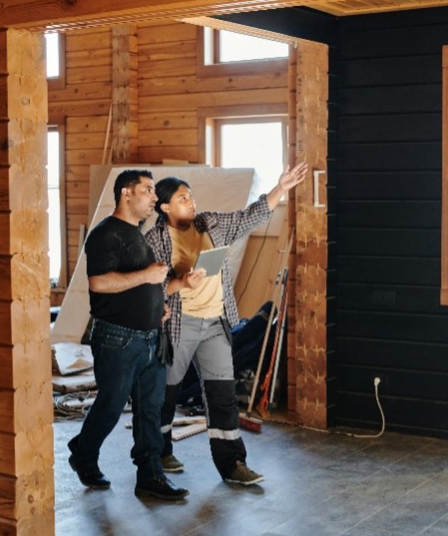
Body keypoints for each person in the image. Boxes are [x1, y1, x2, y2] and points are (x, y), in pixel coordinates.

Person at [145, 161, 308, 485]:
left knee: (221, 395)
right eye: (182, 198)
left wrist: (281, 188)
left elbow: (250, 216)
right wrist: (181, 281)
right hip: (179, 325)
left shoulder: (211, 224)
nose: (190, 202)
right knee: (166, 392)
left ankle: (233, 464)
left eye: (191, 196)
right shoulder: (155, 240)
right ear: (164, 207)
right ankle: (159, 451)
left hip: (215, 324)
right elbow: (148, 286)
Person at [67, 169, 189, 501]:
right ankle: (83, 453)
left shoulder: (137, 234)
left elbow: (142, 285)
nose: (153, 197)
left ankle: (150, 476)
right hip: (118, 339)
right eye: (148, 190)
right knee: (110, 405)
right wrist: (148, 276)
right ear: (126, 193)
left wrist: (158, 307)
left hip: (151, 337)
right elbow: (100, 283)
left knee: (150, 408)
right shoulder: (106, 235)